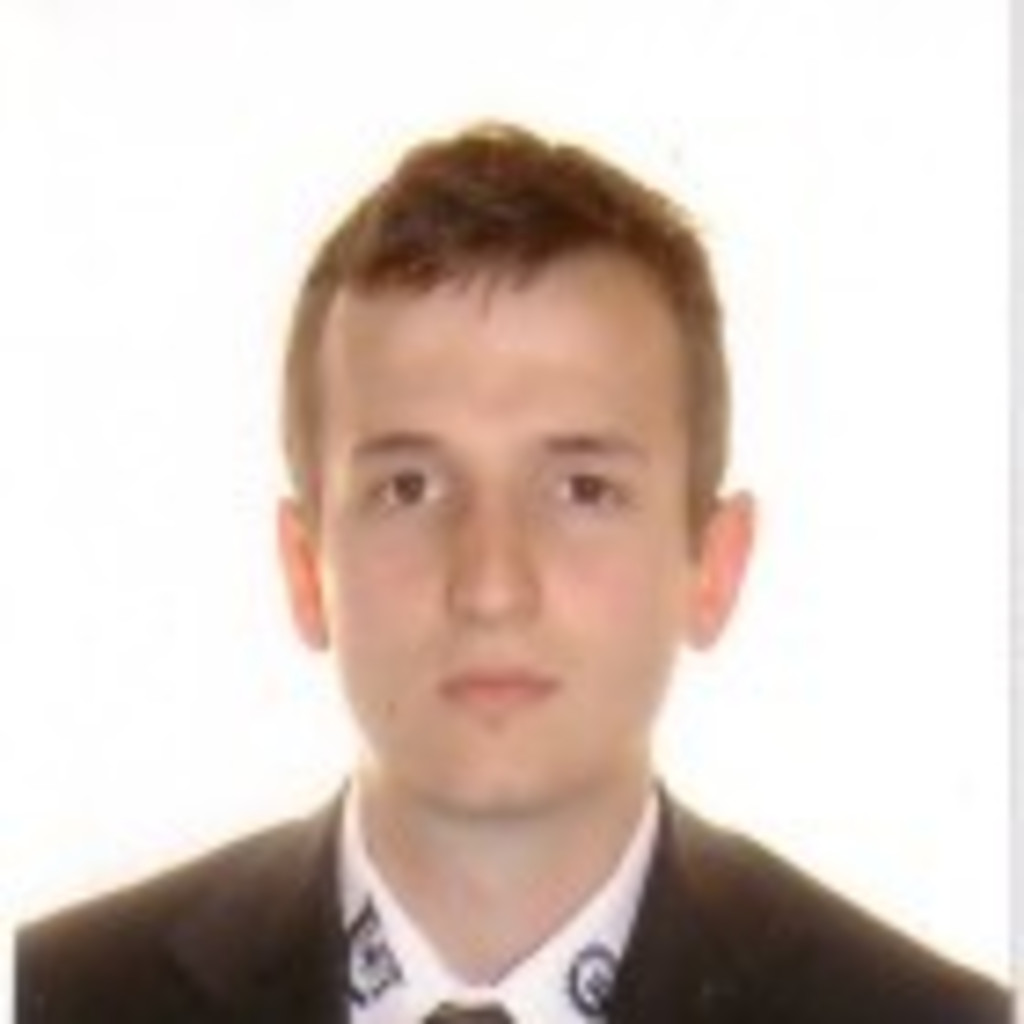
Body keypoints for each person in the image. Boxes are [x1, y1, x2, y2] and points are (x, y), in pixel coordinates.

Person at [16, 122, 1009, 1024]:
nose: (491, 587)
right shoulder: (57, 996)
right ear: (305, 567)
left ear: (713, 565)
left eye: (583, 488)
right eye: (409, 487)